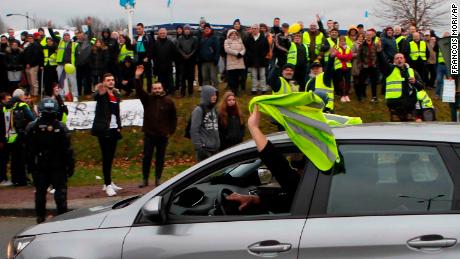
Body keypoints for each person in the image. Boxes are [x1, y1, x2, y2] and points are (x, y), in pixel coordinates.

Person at [225, 105, 301, 213]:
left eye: (297, 162)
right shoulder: (313, 187)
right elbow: (287, 203)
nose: (295, 168)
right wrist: (253, 199)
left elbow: (282, 170)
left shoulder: (310, 185)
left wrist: (254, 128)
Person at [25, 97, 74, 223]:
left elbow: (29, 151)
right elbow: (68, 150)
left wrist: (30, 167)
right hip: (57, 166)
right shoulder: (61, 127)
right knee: (60, 193)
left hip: (41, 166)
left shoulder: (33, 127)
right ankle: (62, 218)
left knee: (40, 194)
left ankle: (40, 218)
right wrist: (70, 166)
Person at [135, 65, 177, 187]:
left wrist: (171, 131)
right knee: (147, 157)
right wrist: (137, 77)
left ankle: (158, 178)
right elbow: (139, 90)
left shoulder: (169, 102)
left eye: (159, 88)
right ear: (152, 89)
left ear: (162, 89)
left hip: (163, 135)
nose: (157, 90)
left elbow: (173, 118)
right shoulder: (147, 99)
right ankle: (145, 179)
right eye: (155, 88)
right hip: (149, 134)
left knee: (160, 157)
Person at [91, 74, 123, 196]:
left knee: (111, 157)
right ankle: (108, 184)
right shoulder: (102, 94)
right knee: (106, 157)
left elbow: (117, 112)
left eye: (112, 80)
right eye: (108, 80)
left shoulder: (116, 94)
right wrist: (99, 89)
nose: (111, 82)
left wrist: (119, 126)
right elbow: (95, 96)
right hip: (104, 129)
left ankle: (108, 181)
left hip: (114, 128)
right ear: (103, 82)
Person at [376, 42, 424, 121]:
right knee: (396, 129)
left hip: (410, 106)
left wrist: (415, 82)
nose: (399, 59)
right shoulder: (389, 70)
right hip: (395, 106)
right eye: (397, 58)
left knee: (410, 129)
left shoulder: (412, 71)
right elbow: (382, 62)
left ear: (404, 60)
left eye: (401, 58)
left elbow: (421, 87)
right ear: (394, 61)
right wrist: (379, 51)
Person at [3, 89, 36, 186]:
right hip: (20, 135)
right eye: (24, 97)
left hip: (8, 135)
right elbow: (32, 119)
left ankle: (14, 179)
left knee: (13, 160)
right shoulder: (22, 105)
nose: (25, 98)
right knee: (21, 159)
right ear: (20, 97)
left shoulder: (6, 107)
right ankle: (22, 180)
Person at [48, 21, 79, 102]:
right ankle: (61, 96)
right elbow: (53, 36)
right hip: (61, 65)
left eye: (67, 35)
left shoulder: (73, 43)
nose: (66, 36)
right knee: (61, 81)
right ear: (63, 36)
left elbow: (76, 54)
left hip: (70, 65)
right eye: (65, 35)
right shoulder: (60, 42)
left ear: (70, 36)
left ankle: (75, 95)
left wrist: (74, 64)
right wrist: (49, 28)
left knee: (72, 80)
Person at [191, 85, 219, 162]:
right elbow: (194, 130)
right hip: (204, 149)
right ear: (207, 96)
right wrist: (199, 147)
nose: (215, 97)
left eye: (215, 95)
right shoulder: (198, 110)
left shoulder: (214, 110)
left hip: (215, 148)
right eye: (212, 95)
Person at [245, 24, 270, 94]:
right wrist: (250, 57)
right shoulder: (249, 38)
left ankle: (263, 88)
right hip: (252, 60)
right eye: (252, 28)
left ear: (258, 29)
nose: (254, 30)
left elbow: (267, 48)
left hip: (262, 60)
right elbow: (247, 49)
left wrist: (262, 56)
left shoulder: (263, 38)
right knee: (253, 75)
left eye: (255, 28)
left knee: (262, 75)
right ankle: (254, 89)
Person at [357, 30, 379, 102]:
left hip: (373, 66)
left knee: (374, 82)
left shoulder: (375, 44)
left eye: (370, 35)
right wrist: (360, 65)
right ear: (365, 36)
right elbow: (359, 56)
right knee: (361, 82)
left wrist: (376, 64)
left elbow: (377, 54)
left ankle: (374, 97)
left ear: (372, 36)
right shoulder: (362, 45)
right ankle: (360, 96)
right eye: (367, 35)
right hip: (364, 66)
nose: (368, 36)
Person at [152, 28, 176, 95]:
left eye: (164, 33)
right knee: (161, 80)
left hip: (168, 65)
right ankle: (162, 91)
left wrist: (172, 61)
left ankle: (171, 91)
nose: (162, 34)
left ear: (166, 34)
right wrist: (155, 65)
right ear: (158, 34)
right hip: (159, 66)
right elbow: (153, 55)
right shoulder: (156, 43)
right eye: (161, 33)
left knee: (170, 79)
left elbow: (174, 53)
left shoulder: (170, 42)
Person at [176, 24, 198, 97]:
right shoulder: (180, 38)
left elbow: (195, 48)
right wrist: (184, 55)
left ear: (190, 30)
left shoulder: (194, 38)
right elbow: (178, 48)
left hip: (191, 60)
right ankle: (182, 93)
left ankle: (190, 92)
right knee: (182, 77)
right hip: (182, 60)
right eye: (185, 29)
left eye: (188, 29)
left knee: (191, 77)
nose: (187, 31)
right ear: (183, 30)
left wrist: (190, 55)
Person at [224, 29, 246, 96]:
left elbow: (244, 48)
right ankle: (232, 91)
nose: (234, 35)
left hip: (240, 63)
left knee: (239, 78)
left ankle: (237, 90)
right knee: (232, 78)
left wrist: (241, 54)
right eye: (232, 34)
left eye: (235, 33)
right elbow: (227, 49)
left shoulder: (240, 40)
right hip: (231, 63)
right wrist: (237, 53)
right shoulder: (227, 41)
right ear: (229, 34)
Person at [133, 23, 154, 92]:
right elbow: (133, 49)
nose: (138, 30)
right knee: (139, 76)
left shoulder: (148, 37)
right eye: (137, 29)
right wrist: (133, 44)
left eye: (139, 29)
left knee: (148, 76)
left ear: (143, 28)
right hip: (138, 59)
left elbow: (151, 48)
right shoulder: (135, 38)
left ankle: (149, 91)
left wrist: (148, 57)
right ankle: (140, 92)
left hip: (146, 59)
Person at [23, 34, 43, 99]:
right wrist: (26, 64)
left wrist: (30, 64)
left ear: (33, 38)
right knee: (30, 82)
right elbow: (25, 56)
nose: (30, 39)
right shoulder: (28, 46)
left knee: (34, 81)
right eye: (28, 38)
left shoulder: (36, 45)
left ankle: (36, 95)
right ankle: (32, 94)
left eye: (31, 38)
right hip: (27, 66)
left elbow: (36, 56)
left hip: (34, 66)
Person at [334, 36, 353, 102]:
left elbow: (350, 56)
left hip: (347, 67)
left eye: (343, 41)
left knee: (348, 81)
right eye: (341, 41)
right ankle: (342, 95)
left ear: (345, 41)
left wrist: (343, 57)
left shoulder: (348, 47)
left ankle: (346, 95)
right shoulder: (336, 47)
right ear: (339, 41)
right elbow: (338, 56)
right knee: (340, 82)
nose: (342, 42)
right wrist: (345, 57)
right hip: (339, 67)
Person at [0, 93, 12, 186]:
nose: (10, 101)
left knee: (5, 159)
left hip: (5, 137)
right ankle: (2, 178)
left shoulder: (6, 109)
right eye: (8, 99)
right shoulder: (2, 109)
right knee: (3, 159)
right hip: (2, 138)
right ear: (3, 100)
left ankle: (4, 177)